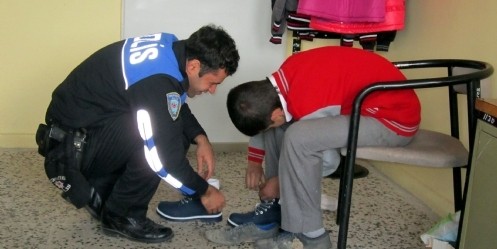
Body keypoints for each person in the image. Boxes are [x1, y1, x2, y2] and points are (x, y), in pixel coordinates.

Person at [35, 24, 239, 243]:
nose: (212, 91)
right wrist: (204, 191)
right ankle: (122, 216)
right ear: (194, 66)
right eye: (212, 83)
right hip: (71, 150)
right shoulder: (158, 80)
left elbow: (169, 102)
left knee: (168, 127)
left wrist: (200, 138)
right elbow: (164, 160)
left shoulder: (170, 49)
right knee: (160, 142)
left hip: (79, 133)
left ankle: (104, 190)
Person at [205, 46, 420, 248]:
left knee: (298, 136)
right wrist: (254, 161)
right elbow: (268, 120)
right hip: (367, 104)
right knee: (282, 129)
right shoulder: (281, 82)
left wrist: (279, 183)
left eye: (268, 123)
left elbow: (328, 161)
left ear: (275, 114)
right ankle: (276, 214)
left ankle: (312, 235)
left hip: (392, 119)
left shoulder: (308, 105)